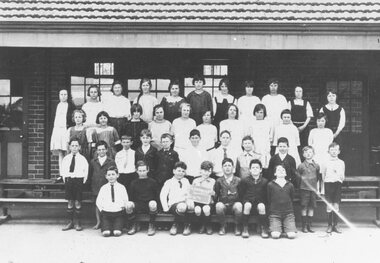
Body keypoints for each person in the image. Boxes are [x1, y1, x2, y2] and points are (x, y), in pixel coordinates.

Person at [61, 138, 89, 231]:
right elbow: (63, 171)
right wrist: (66, 180)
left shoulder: (82, 159)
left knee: (77, 202)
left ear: (79, 147)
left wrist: (81, 182)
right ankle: (70, 222)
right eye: (72, 145)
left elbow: (86, 172)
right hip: (69, 181)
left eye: (76, 146)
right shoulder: (66, 158)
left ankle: (78, 223)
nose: (74, 147)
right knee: (70, 202)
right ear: (69, 147)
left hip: (78, 181)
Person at [126, 161, 160, 236]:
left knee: (153, 203)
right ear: (136, 171)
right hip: (138, 205)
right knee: (128, 204)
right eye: (140, 171)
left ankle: (151, 225)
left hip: (149, 205)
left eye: (144, 170)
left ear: (147, 170)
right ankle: (133, 224)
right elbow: (130, 197)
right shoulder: (133, 183)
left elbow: (157, 196)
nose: (142, 172)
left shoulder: (153, 182)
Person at [160, 161, 193, 236]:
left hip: (184, 203)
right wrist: (165, 208)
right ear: (174, 171)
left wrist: (188, 198)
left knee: (191, 204)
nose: (180, 173)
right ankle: (175, 224)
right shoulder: (169, 182)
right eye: (178, 171)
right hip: (174, 205)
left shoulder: (186, 181)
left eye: (183, 171)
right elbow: (163, 195)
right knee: (182, 206)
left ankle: (187, 225)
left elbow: (189, 192)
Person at [89, 140, 117, 230]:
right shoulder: (93, 162)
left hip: (107, 186)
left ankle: (108, 222)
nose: (101, 151)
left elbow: (114, 174)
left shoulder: (111, 161)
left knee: (107, 203)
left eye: (103, 149)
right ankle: (98, 222)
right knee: (97, 204)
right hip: (96, 186)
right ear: (96, 151)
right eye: (99, 150)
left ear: (106, 150)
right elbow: (90, 174)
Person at [238, 159, 269, 238]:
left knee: (262, 206)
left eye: (257, 167)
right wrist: (245, 201)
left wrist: (263, 202)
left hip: (259, 202)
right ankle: (245, 228)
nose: (255, 169)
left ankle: (263, 228)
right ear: (250, 170)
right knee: (247, 205)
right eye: (253, 167)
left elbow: (266, 195)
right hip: (248, 202)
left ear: (261, 170)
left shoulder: (265, 181)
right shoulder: (245, 180)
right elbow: (241, 193)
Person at [96, 166, 129, 237]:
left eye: (113, 174)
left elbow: (126, 200)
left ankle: (117, 226)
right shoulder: (103, 188)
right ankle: (107, 226)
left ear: (117, 175)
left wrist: (123, 206)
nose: (111, 177)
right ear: (106, 176)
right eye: (109, 175)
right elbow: (98, 201)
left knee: (117, 233)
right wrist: (102, 210)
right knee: (106, 233)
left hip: (118, 214)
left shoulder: (122, 187)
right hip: (106, 214)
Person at [214, 158, 242, 235]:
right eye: (225, 166)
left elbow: (241, 194)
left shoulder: (238, 180)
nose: (227, 167)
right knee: (218, 206)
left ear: (233, 168)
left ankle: (237, 226)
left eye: (229, 165)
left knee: (239, 206)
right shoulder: (219, 180)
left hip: (234, 205)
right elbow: (216, 194)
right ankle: (223, 226)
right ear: (222, 168)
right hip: (224, 205)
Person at [267, 164, 297, 239]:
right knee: (275, 235)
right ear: (275, 173)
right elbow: (269, 198)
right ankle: (278, 228)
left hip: (288, 214)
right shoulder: (270, 185)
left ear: (286, 173)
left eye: (283, 170)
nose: (281, 171)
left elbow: (292, 198)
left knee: (292, 235)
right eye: (278, 170)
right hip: (275, 214)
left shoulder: (290, 185)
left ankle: (286, 227)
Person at [297, 146, 321, 233]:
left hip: (313, 190)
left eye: (310, 152)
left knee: (311, 207)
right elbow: (298, 178)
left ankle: (309, 225)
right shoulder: (301, 166)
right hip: (304, 189)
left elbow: (318, 177)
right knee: (304, 207)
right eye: (306, 152)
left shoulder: (316, 166)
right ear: (303, 154)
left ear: (313, 154)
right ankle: (304, 226)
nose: (308, 154)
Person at [51, 89, 75, 170]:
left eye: (65, 94)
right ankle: (61, 173)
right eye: (61, 94)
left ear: (68, 96)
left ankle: (67, 172)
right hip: (57, 130)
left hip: (66, 130)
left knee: (67, 151)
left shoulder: (71, 106)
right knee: (60, 152)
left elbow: (72, 119)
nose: (63, 96)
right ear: (59, 95)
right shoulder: (55, 105)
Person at [323, 142, 345, 234]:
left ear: (339, 151)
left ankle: (336, 224)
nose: (334, 152)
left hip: (337, 185)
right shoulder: (325, 162)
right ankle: (329, 225)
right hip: (328, 184)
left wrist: (338, 177)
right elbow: (323, 175)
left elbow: (343, 176)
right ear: (328, 151)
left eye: (335, 150)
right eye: (332, 150)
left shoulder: (341, 162)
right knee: (329, 205)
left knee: (336, 205)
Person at [189, 161, 215, 235]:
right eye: (204, 171)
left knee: (206, 209)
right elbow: (191, 193)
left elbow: (215, 194)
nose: (206, 173)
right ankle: (201, 224)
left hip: (208, 202)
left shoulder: (213, 181)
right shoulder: (195, 180)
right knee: (197, 210)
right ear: (200, 170)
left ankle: (208, 225)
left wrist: (213, 193)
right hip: (198, 202)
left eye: (209, 171)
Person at [308, 113, 334, 184]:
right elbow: (310, 144)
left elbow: (330, 144)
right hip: (316, 154)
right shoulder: (313, 131)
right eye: (319, 121)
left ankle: (323, 189)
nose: (320, 123)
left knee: (324, 172)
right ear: (316, 121)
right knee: (316, 172)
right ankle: (316, 190)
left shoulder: (329, 131)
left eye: (322, 121)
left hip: (325, 154)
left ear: (325, 121)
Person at [245, 104, 272, 169]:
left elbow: (270, 138)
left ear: (264, 113)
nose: (259, 114)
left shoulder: (268, 124)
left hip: (265, 149)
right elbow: (249, 137)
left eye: (261, 112)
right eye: (257, 112)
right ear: (254, 113)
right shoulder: (251, 124)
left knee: (265, 166)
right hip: (255, 149)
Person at [288, 86, 313, 154]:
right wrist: (293, 126)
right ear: (294, 92)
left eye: (300, 91)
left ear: (302, 93)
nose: (298, 93)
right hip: (293, 126)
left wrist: (303, 126)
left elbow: (309, 116)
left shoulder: (306, 103)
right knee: (294, 143)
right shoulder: (290, 102)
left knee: (304, 144)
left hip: (304, 127)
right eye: (297, 91)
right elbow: (288, 115)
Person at [82, 85, 104, 157]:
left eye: (95, 92)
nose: (93, 94)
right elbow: (84, 121)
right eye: (91, 92)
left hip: (99, 129)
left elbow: (103, 119)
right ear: (89, 93)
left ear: (98, 93)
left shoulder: (101, 105)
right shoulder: (85, 106)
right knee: (88, 151)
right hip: (88, 130)